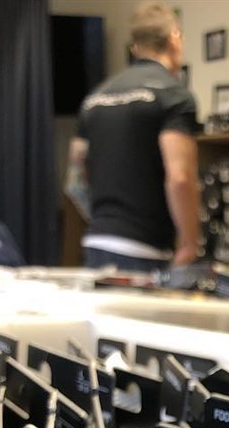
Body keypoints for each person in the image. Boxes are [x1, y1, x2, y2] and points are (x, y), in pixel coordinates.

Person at [65, 2, 199, 272]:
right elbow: (180, 177)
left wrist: (107, 224)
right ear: (174, 39)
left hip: (97, 243)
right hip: (145, 250)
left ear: (135, 47)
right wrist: (189, 244)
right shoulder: (173, 95)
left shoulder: (94, 98)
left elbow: (74, 182)